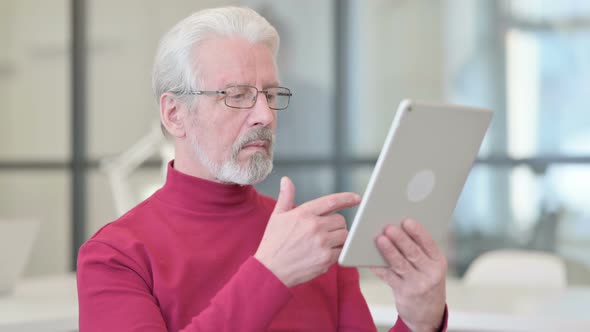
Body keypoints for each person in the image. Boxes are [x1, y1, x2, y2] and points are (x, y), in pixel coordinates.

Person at [77, 6, 448, 332]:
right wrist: (270, 275)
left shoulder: (313, 240)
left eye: (270, 95)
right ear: (175, 114)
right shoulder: (114, 256)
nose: (265, 116)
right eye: (237, 96)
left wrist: (419, 322)